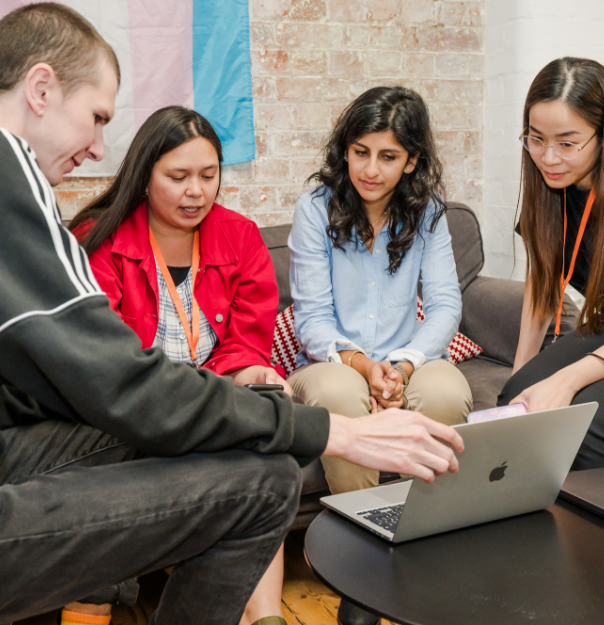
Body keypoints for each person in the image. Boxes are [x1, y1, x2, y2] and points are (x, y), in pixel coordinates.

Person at [0, 5, 465, 625]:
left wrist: (245, 392)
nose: (97, 147)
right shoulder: (31, 193)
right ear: (39, 89)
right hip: (137, 400)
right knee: (266, 479)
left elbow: (83, 381)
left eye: (207, 175)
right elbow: (121, 382)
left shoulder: (239, 236)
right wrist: (330, 429)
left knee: (240, 431)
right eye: (97, 118)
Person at [69, 105, 292, 625]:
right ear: (144, 177)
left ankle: (266, 618)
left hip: (206, 404)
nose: (197, 191)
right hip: (128, 409)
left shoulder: (240, 236)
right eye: (178, 177)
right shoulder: (100, 238)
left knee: (266, 448)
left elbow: (246, 342)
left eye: (208, 175)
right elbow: (101, 360)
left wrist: (250, 375)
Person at [287, 86, 473, 625]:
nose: (371, 168)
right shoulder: (314, 208)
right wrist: (363, 366)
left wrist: (409, 362)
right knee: (342, 394)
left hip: (406, 359)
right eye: (360, 151)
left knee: (446, 390)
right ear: (345, 149)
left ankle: (420, 547)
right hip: (334, 362)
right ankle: (360, 566)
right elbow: (312, 317)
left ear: (412, 159)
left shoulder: (431, 214)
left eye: (388, 156)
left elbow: (444, 306)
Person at [498, 57, 604, 471]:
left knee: (589, 425)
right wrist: (523, 373)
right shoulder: (549, 186)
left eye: (567, 143)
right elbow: (543, 281)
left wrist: (567, 379)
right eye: (536, 139)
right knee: (516, 403)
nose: (548, 157)